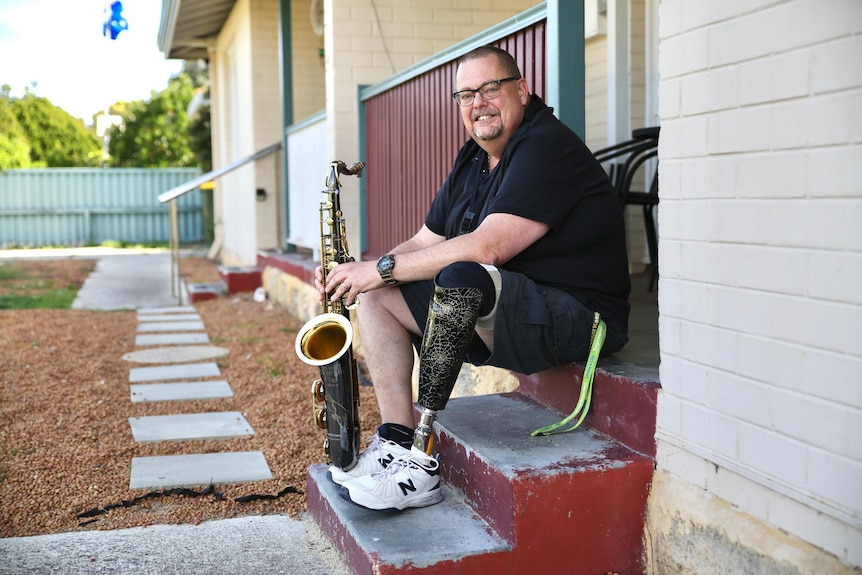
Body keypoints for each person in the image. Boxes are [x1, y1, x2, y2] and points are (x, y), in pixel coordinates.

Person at [315, 45, 630, 512]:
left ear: (521, 91)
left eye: (490, 89)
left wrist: (380, 269)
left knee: (463, 274)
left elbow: (489, 248)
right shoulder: (473, 157)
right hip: (513, 312)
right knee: (379, 299)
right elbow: (424, 243)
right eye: (466, 95)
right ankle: (398, 444)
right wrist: (360, 275)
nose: (477, 103)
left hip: (579, 318)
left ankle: (420, 468)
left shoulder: (547, 146)